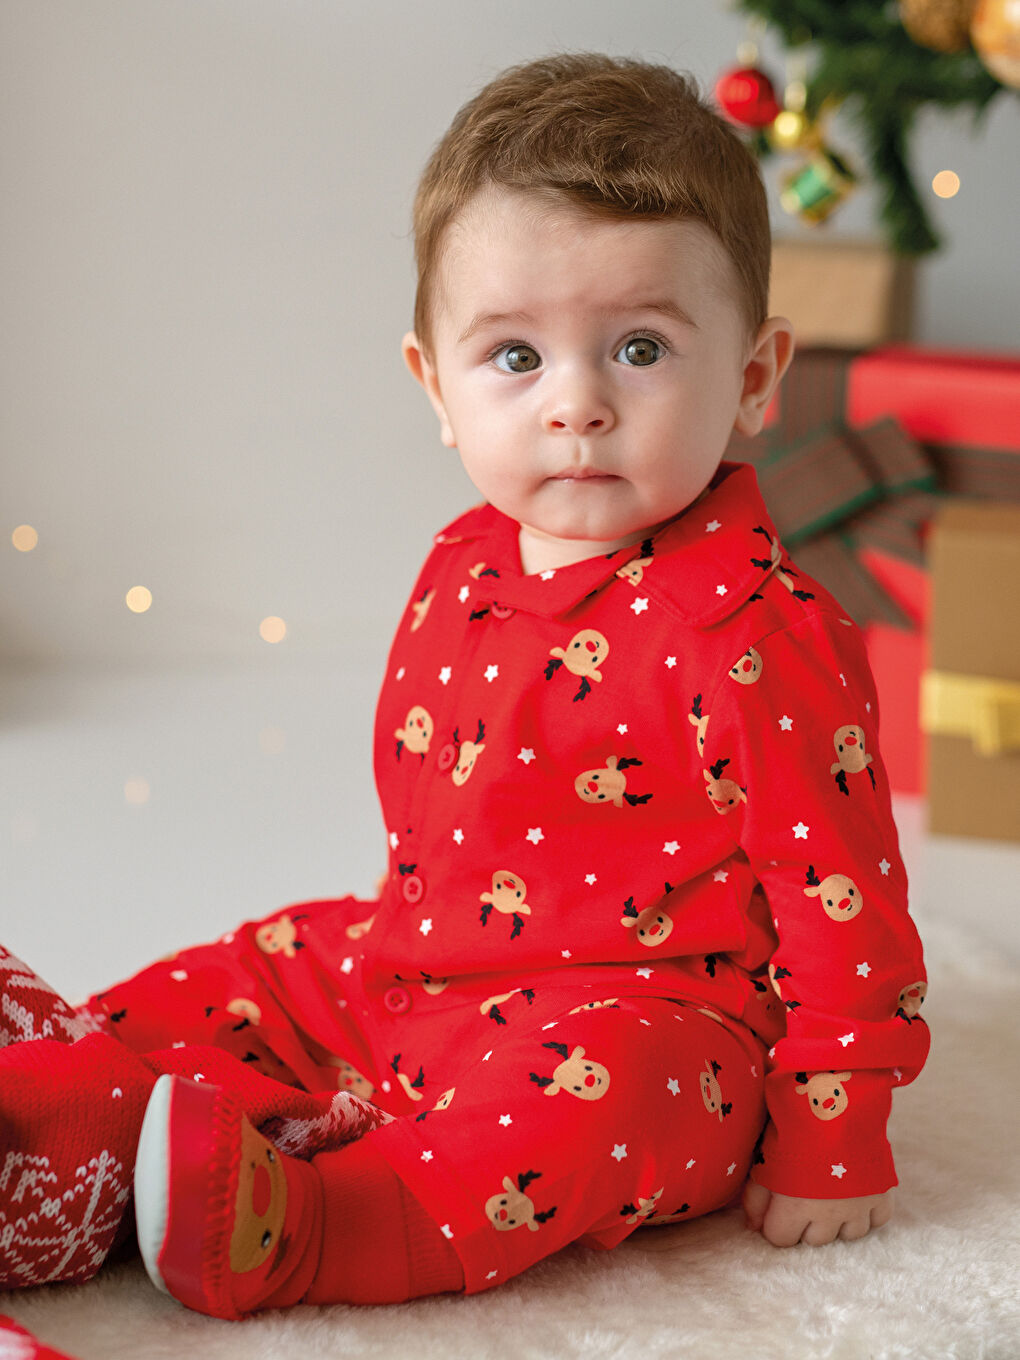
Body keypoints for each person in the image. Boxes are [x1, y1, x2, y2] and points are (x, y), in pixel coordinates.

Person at [0, 53, 929, 1321]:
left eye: (640, 347)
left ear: (755, 379)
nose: (579, 405)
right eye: (515, 357)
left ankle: (314, 1222)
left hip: (651, 1016)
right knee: (258, 965)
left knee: (611, 1091)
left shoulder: (754, 634)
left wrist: (835, 1132)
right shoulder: (465, 562)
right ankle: (66, 1099)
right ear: (436, 385)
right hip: (420, 968)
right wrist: (385, 961)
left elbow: (845, 909)